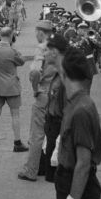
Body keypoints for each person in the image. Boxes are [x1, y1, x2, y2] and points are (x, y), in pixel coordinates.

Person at [55, 48, 101, 199]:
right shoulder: (76, 102)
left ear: (65, 74)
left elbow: (83, 164)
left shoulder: (81, 109)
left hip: (76, 185)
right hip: (70, 179)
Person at [18, 22, 60, 182]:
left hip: (43, 93)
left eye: (36, 32)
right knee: (54, 132)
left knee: (36, 134)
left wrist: (35, 88)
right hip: (57, 94)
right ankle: (51, 168)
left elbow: (35, 71)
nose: (36, 35)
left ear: (41, 33)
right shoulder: (59, 46)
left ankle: (31, 170)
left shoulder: (42, 48)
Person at [0, 27, 29, 152]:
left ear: (0, 35)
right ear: (11, 36)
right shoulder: (12, 51)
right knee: (15, 115)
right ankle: (17, 142)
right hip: (11, 86)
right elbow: (21, 62)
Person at [42, 34, 68, 183]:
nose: (45, 53)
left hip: (60, 121)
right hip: (52, 119)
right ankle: (51, 174)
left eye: (47, 50)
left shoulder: (66, 74)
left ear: (55, 52)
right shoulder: (59, 72)